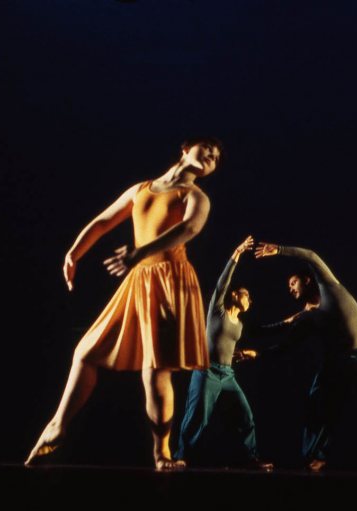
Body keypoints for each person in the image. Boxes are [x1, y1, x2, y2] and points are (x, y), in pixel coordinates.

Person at [26, 138, 221, 470]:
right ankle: (57, 426)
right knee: (85, 352)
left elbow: (189, 228)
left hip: (171, 282)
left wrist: (139, 253)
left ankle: (162, 453)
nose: (212, 157)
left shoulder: (195, 197)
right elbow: (103, 222)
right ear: (185, 149)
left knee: (155, 371)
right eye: (207, 149)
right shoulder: (141, 189)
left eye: (217, 158)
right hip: (139, 279)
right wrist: (74, 252)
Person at [254, 243, 357, 473]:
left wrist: (278, 250)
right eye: (288, 286)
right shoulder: (307, 317)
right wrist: (257, 353)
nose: (290, 288)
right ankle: (316, 456)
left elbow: (312, 256)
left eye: (293, 282)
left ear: (307, 280)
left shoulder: (330, 288)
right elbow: (285, 345)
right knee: (318, 404)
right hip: (339, 362)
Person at [176, 236, 271, 469]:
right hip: (206, 371)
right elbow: (222, 283)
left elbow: (227, 346)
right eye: (247, 295)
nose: (251, 300)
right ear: (236, 295)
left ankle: (251, 458)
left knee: (245, 416)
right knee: (196, 418)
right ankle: (181, 456)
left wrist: (243, 354)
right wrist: (237, 253)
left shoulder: (239, 325)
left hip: (227, 375)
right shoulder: (217, 312)